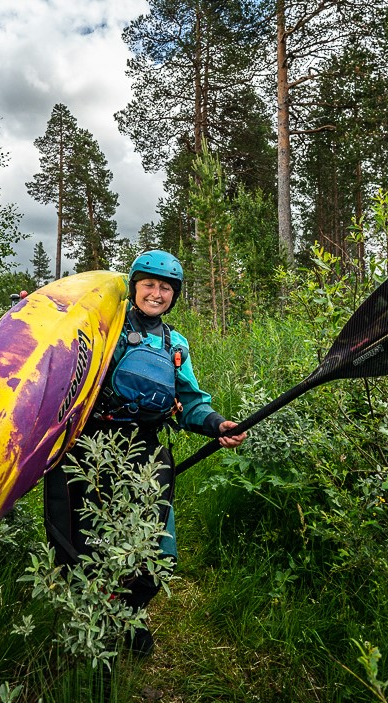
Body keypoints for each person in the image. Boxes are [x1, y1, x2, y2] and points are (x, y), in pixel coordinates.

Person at [43, 250, 247, 657]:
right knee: (86, 548)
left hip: (146, 453)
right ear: (134, 286)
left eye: (166, 287)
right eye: (149, 284)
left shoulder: (175, 343)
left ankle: (130, 616)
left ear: (174, 295)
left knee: (158, 558)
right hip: (90, 450)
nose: (157, 293)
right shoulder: (105, 326)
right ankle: (92, 629)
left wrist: (216, 425)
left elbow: (189, 400)